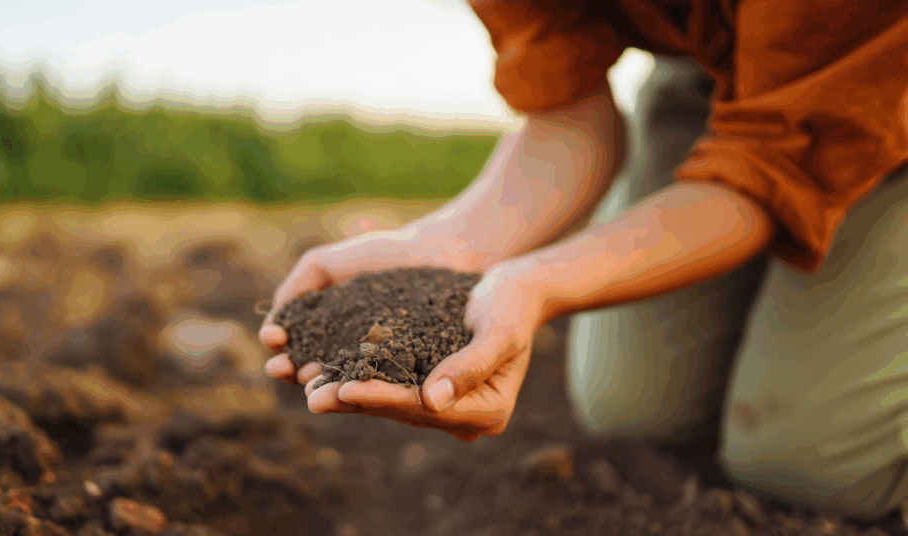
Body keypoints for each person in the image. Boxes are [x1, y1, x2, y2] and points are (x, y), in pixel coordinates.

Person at [259, 0, 908, 519]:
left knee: (813, 464)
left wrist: (542, 283)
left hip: (880, 72)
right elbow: (566, 119)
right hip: (720, 67)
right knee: (634, 409)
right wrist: (445, 252)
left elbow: (766, 169)